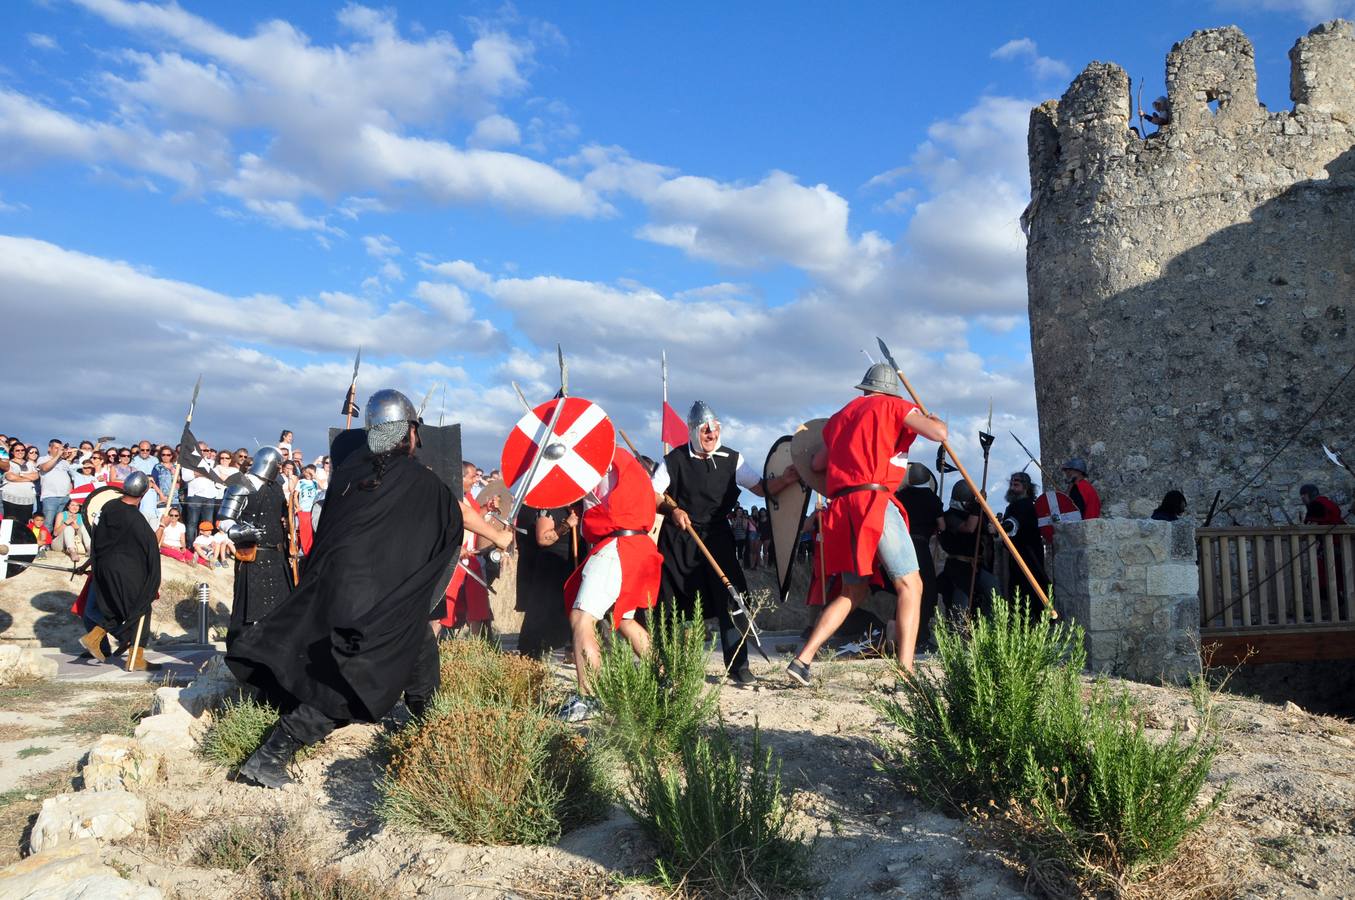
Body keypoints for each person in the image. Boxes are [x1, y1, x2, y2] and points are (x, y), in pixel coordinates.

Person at [226, 389, 461, 789]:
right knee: (357, 683)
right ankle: (270, 756)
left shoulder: (353, 475)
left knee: (420, 654)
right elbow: (447, 528)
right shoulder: (423, 485)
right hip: (374, 600)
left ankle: (436, 741)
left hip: (341, 590)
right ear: (407, 432)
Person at [788, 364, 947, 685]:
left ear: (865, 388)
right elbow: (939, 434)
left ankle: (802, 660)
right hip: (874, 501)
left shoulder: (840, 419)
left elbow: (817, 462)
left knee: (853, 591)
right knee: (911, 586)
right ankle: (906, 671)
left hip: (843, 508)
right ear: (890, 390)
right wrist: (931, 418)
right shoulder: (894, 405)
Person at [653, 401, 800, 685]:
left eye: (715, 428)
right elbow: (653, 495)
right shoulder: (674, 460)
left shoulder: (734, 460)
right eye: (704, 429)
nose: (711, 433)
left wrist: (785, 479)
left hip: (717, 537)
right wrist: (672, 510)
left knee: (733, 599)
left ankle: (738, 665)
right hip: (680, 538)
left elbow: (760, 488)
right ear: (694, 431)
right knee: (671, 603)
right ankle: (668, 667)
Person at [559, 447, 664, 722]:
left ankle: (589, 697)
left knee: (582, 618)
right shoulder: (629, 466)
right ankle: (664, 679)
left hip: (618, 545)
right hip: (638, 544)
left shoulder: (603, 462)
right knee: (625, 620)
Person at [79, 471, 162, 671]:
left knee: (113, 605)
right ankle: (136, 658)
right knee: (141, 607)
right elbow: (151, 547)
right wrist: (162, 527)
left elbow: (98, 536)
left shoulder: (109, 506)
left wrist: (91, 562)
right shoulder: (137, 520)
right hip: (126, 571)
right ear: (143, 494)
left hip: (104, 568)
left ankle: (95, 637)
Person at [218, 447, 295, 647]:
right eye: (278, 465)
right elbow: (225, 521)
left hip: (278, 557)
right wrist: (243, 532)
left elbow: (283, 519)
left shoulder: (276, 488)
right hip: (253, 557)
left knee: (281, 611)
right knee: (247, 611)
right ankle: (240, 654)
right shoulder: (240, 485)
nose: (280, 469)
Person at [437, 462, 511, 637]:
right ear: (461, 477)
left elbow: (473, 521)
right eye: (472, 477)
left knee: (478, 607)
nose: (476, 480)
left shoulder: (468, 498)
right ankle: (432, 644)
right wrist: (456, 549)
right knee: (443, 611)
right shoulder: (449, 498)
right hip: (454, 562)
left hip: (471, 562)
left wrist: (486, 509)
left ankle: (479, 648)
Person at [515, 502, 579, 658]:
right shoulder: (550, 508)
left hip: (567, 566)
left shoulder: (575, 508)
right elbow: (543, 538)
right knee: (541, 614)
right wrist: (567, 524)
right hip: (550, 568)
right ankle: (530, 655)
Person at [896, 462, 945, 647]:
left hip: (902, 545)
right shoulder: (932, 499)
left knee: (903, 589)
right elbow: (942, 526)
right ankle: (921, 635)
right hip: (921, 546)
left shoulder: (901, 495)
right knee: (926, 590)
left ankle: (901, 632)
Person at [1001, 472, 1049, 608]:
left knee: (1033, 590)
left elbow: (1014, 523)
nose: (1012, 487)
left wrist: (1000, 528)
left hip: (1029, 554)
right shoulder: (1012, 506)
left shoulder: (1027, 505)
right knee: (1018, 593)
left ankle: (1042, 624)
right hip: (1017, 555)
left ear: (1026, 487)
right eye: (1011, 484)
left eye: (1016, 484)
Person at [36, 439, 77, 526]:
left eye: (60, 448)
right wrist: (58, 455)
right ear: (49, 448)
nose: (59, 450)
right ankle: (46, 540)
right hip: (50, 497)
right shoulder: (43, 459)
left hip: (65, 497)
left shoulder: (63, 462)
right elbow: (45, 468)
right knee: (48, 523)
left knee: (61, 524)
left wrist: (70, 456)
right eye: (56, 448)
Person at [1, 441, 39, 523]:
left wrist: (20, 474)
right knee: (10, 524)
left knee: (24, 524)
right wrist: (29, 477)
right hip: (11, 499)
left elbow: (36, 476)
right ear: (12, 452)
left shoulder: (30, 463)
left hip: (28, 500)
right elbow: (10, 477)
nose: (20, 452)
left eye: (22, 450)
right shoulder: (9, 463)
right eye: (17, 450)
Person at [295, 465, 321, 555]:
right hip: (304, 509)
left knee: (313, 528)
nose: (307, 474)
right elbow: (295, 495)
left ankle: (312, 549)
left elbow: (323, 487)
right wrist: (298, 506)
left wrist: (314, 475)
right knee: (305, 530)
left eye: (309, 472)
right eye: (306, 472)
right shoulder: (301, 482)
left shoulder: (315, 482)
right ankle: (305, 550)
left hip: (313, 509)